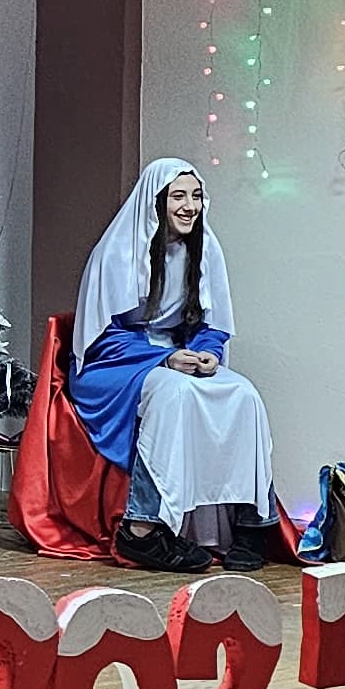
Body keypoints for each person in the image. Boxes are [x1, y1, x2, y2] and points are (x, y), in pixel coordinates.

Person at [66, 159, 280, 574]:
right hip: (116, 363)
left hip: (175, 356)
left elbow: (212, 323)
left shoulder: (205, 248)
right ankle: (142, 527)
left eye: (196, 196)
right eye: (178, 196)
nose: (189, 206)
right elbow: (101, 337)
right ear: (156, 201)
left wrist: (209, 354)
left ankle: (254, 522)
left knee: (243, 394)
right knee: (173, 394)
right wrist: (162, 358)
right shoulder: (117, 254)